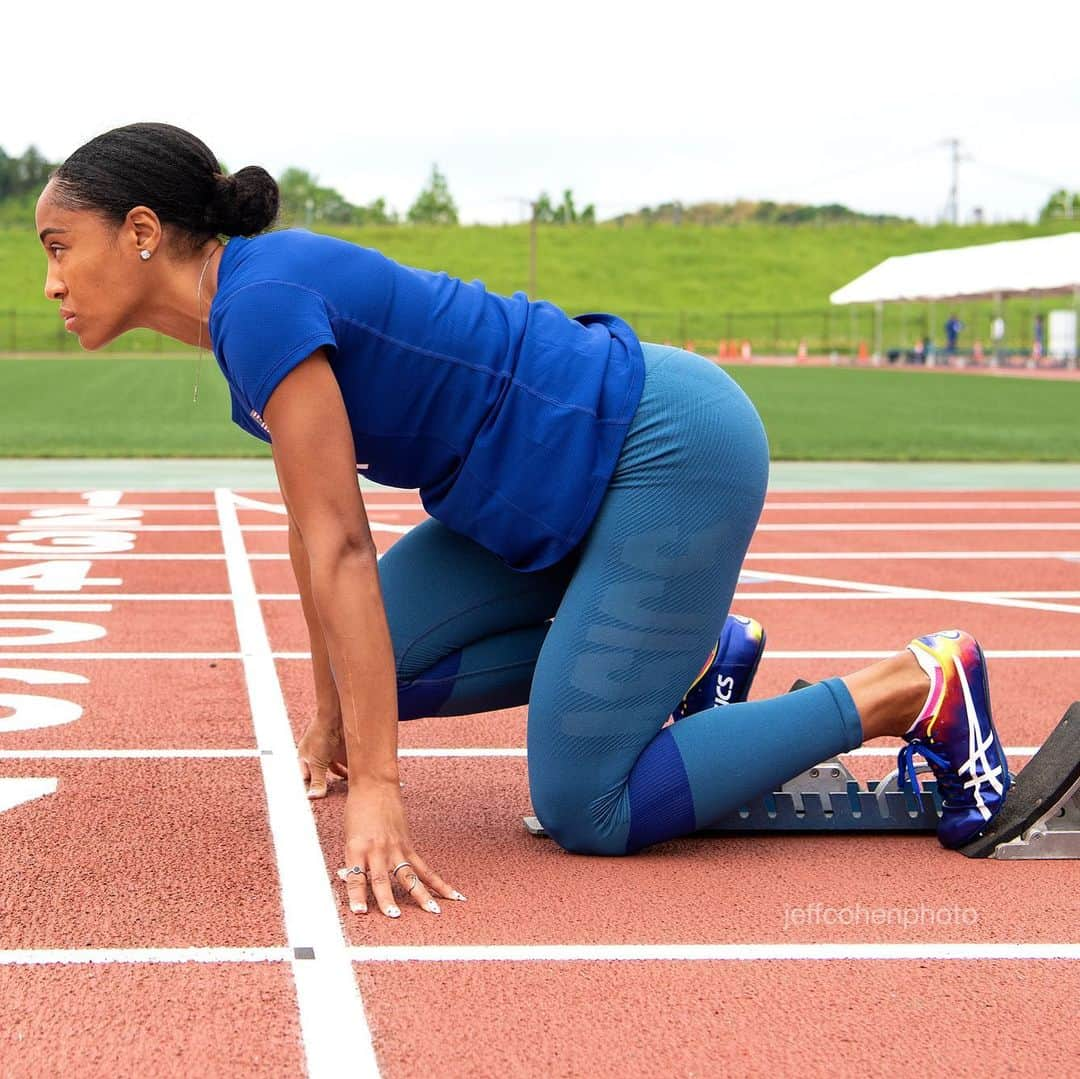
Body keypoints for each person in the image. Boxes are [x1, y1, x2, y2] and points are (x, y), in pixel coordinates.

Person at [34, 123, 1013, 921]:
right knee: (389, 664)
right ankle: (691, 657)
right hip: (550, 497)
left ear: (143, 231)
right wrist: (333, 718)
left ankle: (915, 689)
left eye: (58, 247)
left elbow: (339, 542)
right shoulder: (247, 319)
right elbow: (312, 537)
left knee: (589, 805)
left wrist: (378, 785)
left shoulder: (263, 303)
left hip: (662, 450)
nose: (51, 282)